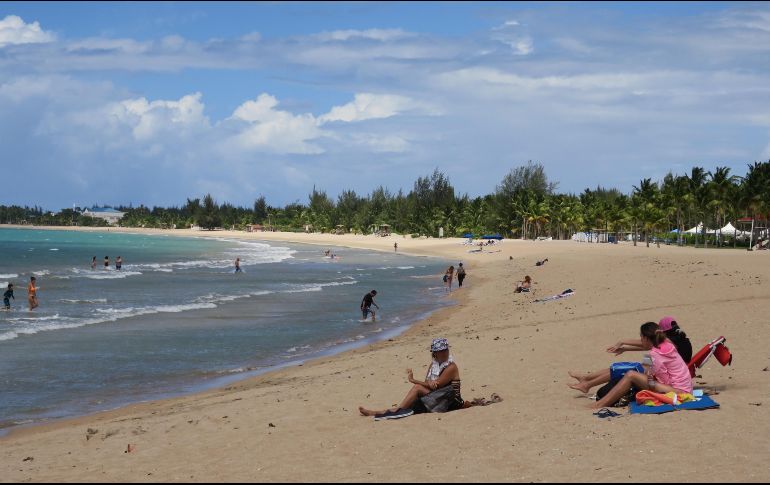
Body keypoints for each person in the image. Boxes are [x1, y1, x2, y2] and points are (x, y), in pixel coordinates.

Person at [358, 338, 469, 420]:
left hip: (451, 401)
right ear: (435, 353)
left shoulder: (451, 367)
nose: (444, 352)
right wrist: (429, 382)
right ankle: (378, 412)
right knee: (412, 402)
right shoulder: (433, 365)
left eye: (445, 350)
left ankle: (395, 411)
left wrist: (413, 380)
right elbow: (428, 383)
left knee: (416, 389)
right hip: (439, 396)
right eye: (441, 351)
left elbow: (436, 386)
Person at [590, 322, 693, 409]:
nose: (640, 340)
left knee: (631, 374)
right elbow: (648, 361)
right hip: (687, 388)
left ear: (646, 338)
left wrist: (648, 379)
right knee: (639, 368)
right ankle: (590, 386)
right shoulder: (667, 344)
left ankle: (599, 404)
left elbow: (664, 381)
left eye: (641, 337)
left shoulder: (654, 354)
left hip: (679, 392)